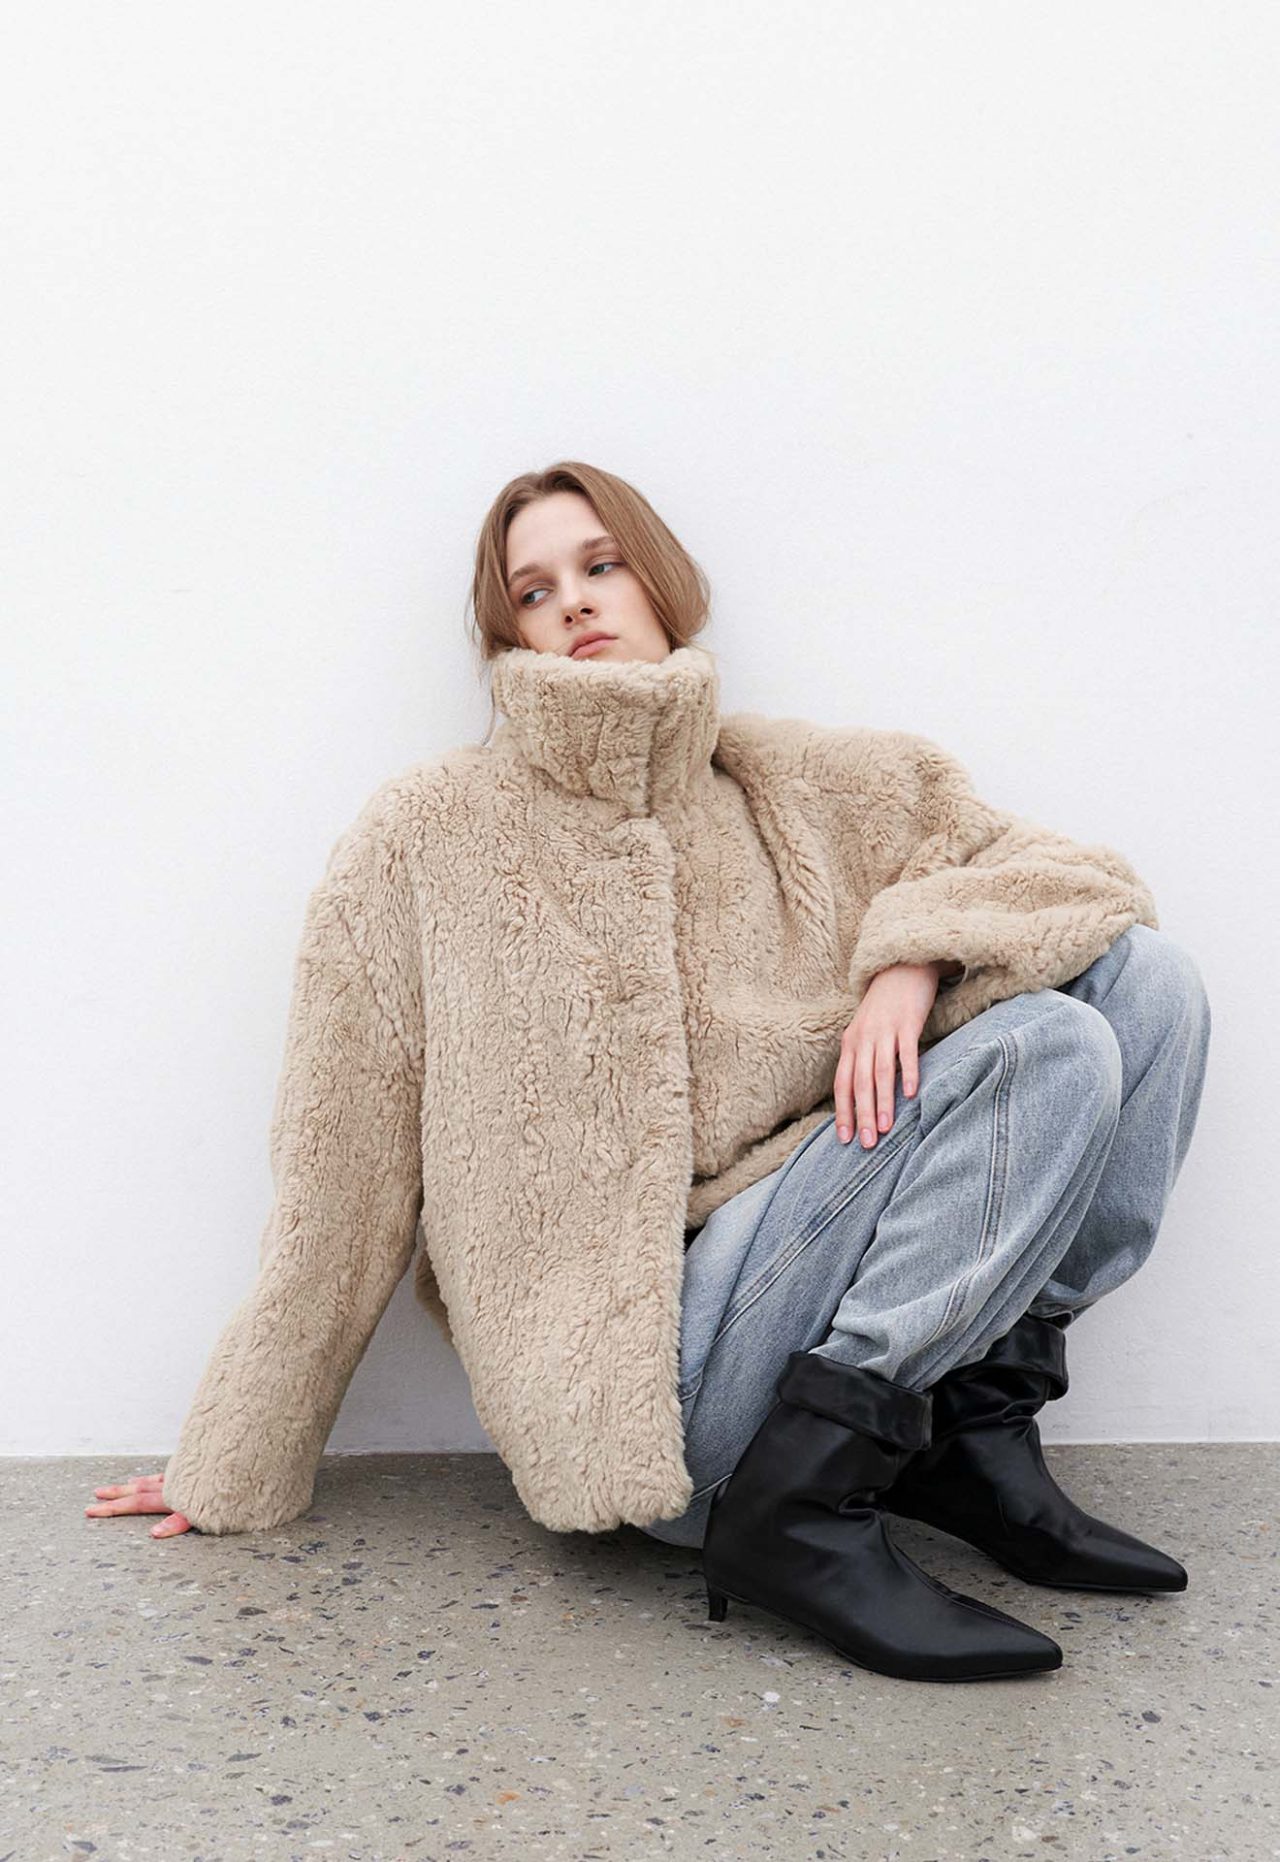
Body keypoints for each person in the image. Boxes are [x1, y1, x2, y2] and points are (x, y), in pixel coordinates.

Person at [87, 462, 1211, 1684]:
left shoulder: (802, 783)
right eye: (532, 591)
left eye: (599, 564)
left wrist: (914, 953)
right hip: (651, 1393)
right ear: (507, 632)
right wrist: (235, 1457)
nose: (573, 601)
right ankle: (791, 1511)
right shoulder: (427, 833)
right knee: (1043, 1043)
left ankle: (971, 1431)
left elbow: (1083, 880)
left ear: (660, 580)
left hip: (814, 1289)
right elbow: (339, 1178)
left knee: (1142, 983)